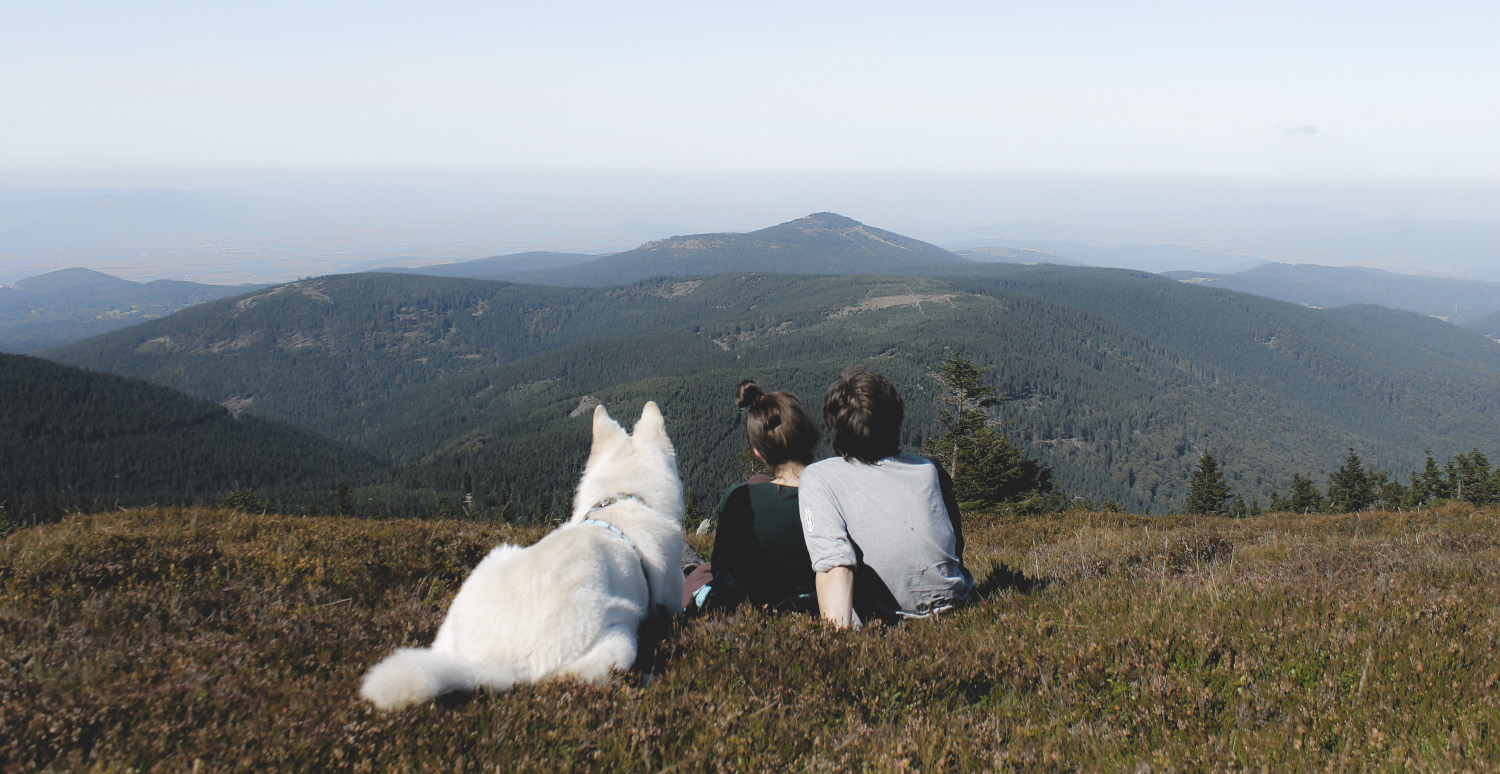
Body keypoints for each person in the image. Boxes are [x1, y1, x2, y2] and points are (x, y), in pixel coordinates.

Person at [798, 366, 974, 627]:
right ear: (895, 418)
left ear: (835, 428)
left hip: (880, 624)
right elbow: (955, 546)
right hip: (958, 610)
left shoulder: (819, 477)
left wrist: (836, 652)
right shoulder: (930, 469)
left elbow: (835, 565)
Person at [685, 380, 821, 614]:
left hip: (749, 607)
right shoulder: (833, 495)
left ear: (758, 453)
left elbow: (721, 570)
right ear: (806, 433)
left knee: (698, 574)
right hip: (815, 604)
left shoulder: (740, 500)